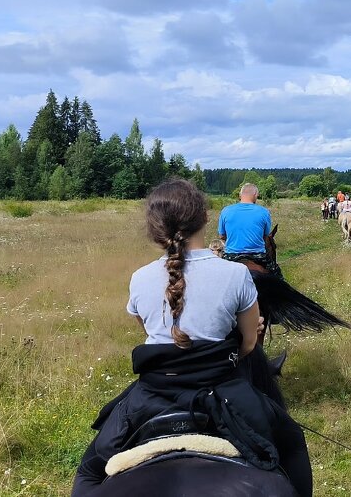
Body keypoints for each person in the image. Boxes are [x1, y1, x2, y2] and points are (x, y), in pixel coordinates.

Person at [71, 178, 313, 496]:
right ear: (205, 218)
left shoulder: (139, 278)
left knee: (89, 472)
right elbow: (250, 343)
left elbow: (149, 333)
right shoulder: (237, 275)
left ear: (156, 230)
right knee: (292, 443)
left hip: (150, 395)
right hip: (225, 390)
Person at [218, 182, 280, 275]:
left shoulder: (226, 211)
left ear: (240, 195)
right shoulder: (264, 212)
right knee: (276, 275)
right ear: (256, 195)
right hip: (258, 256)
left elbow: (222, 236)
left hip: (231, 256)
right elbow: (265, 236)